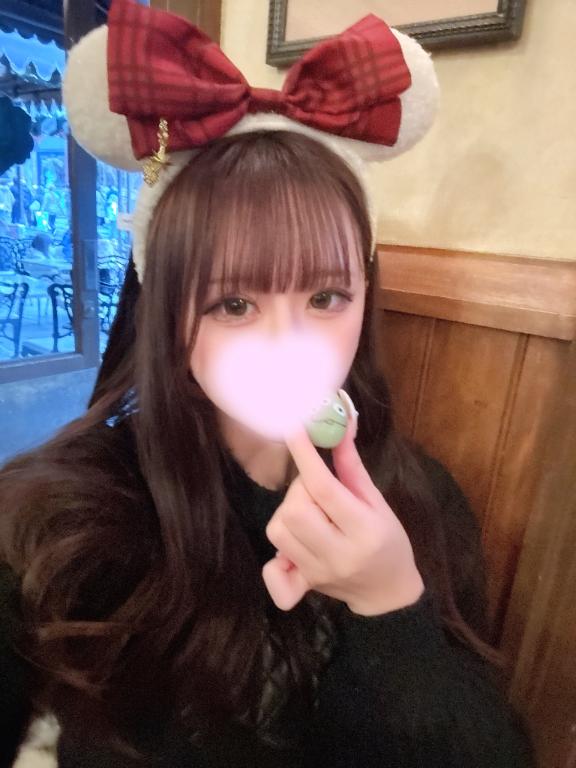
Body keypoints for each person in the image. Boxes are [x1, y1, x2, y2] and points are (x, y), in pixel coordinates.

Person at [0, 2, 537, 767]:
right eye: (234, 304)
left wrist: (390, 603)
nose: (290, 344)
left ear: (366, 297)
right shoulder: (65, 515)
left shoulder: (422, 501)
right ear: (169, 317)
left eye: (326, 297)